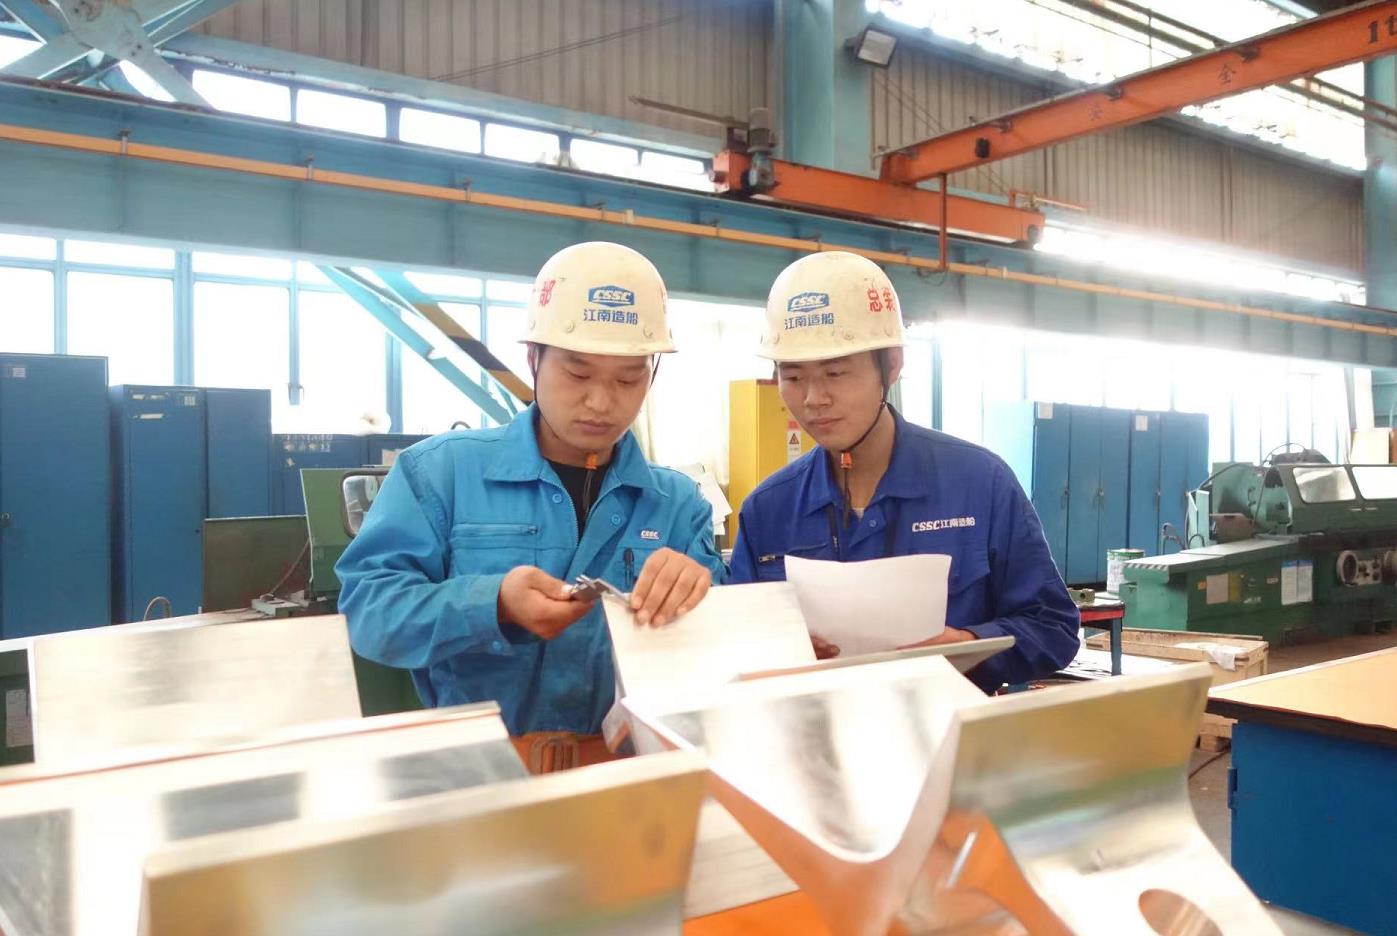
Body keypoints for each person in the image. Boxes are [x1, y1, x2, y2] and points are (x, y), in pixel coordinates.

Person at [336, 241, 724, 769]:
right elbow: (368, 612)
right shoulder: (440, 474)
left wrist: (700, 594)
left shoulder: (676, 504)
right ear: (533, 359)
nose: (601, 402)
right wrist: (491, 603)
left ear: (651, 375)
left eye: (628, 378)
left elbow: (721, 647)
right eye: (578, 374)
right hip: (480, 775)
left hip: (627, 773)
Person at [727, 251, 1079, 691]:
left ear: (891, 366)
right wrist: (782, 651)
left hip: (948, 727)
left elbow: (1052, 625)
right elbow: (736, 649)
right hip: (815, 729)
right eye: (794, 377)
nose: (814, 399)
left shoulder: (979, 484)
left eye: (835, 373)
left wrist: (970, 644)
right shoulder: (768, 510)